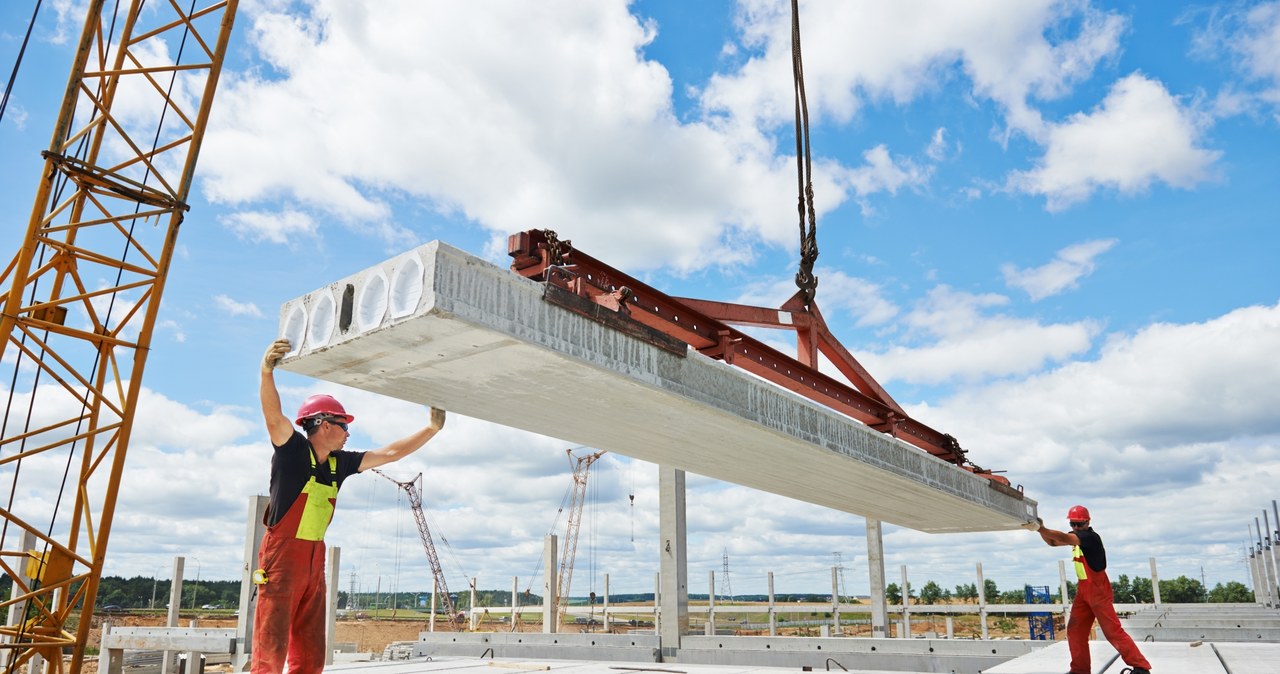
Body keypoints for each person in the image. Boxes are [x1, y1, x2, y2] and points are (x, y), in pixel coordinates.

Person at [253, 338, 446, 674]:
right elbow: (273, 419)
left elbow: (389, 454)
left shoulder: (338, 464)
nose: (347, 433)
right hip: (281, 561)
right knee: (271, 646)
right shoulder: (293, 452)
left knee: (311, 648)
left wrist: (431, 429)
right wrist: (266, 370)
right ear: (324, 424)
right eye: (344, 426)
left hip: (314, 560)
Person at [1029, 506, 1153, 674]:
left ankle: (1141, 667)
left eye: (1079, 524)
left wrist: (1041, 528)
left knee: (1113, 632)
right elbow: (1053, 542)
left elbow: (1063, 537)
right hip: (1083, 591)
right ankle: (1079, 670)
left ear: (1087, 522)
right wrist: (1039, 530)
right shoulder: (1076, 535)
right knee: (1075, 631)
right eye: (1073, 524)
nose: (1076, 527)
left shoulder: (1090, 537)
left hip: (1098, 591)